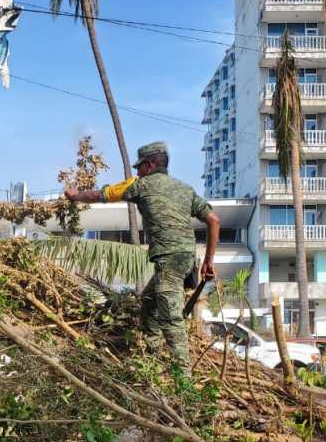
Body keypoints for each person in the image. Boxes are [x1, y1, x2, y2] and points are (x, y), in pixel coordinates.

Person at [66, 141, 220, 371]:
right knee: (149, 303)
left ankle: (183, 381)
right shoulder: (185, 189)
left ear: (149, 165)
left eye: (139, 167)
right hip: (186, 258)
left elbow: (103, 194)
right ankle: (153, 355)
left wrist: (76, 196)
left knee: (170, 319)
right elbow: (214, 220)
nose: (137, 171)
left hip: (168, 259)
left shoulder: (142, 185)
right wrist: (208, 260)